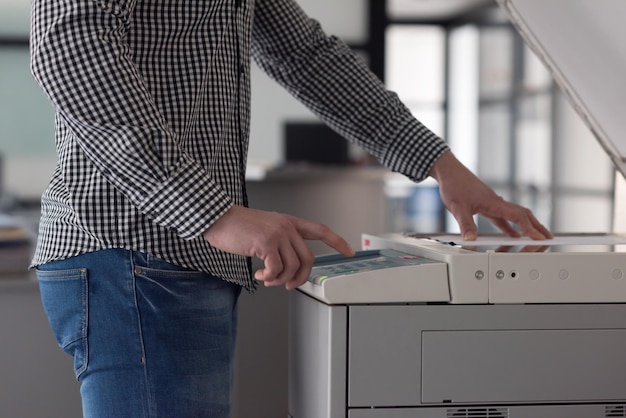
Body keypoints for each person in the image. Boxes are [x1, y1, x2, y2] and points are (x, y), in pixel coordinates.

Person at [29, 0, 552, 417]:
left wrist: (441, 163)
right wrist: (216, 213)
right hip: (136, 248)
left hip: (174, 257)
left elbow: (308, 57)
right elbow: (70, 46)